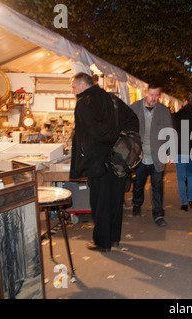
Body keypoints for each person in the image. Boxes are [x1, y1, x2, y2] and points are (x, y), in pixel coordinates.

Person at [70, 72, 139, 252]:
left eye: (74, 87)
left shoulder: (83, 103)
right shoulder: (112, 99)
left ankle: (102, 242)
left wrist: (110, 138)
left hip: (97, 161)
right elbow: (133, 118)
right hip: (117, 160)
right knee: (115, 200)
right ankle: (114, 238)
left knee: (100, 202)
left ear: (83, 86)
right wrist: (122, 140)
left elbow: (95, 131)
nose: (73, 91)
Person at [129, 83, 174, 226]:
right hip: (139, 157)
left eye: (157, 95)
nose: (154, 98)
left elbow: (169, 132)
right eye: (151, 94)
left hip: (157, 156)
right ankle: (136, 205)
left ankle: (158, 215)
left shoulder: (163, 111)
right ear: (145, 93)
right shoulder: (134, 108)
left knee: (157, 187)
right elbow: (127, 131)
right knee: (138, 185)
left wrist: (170, 152)